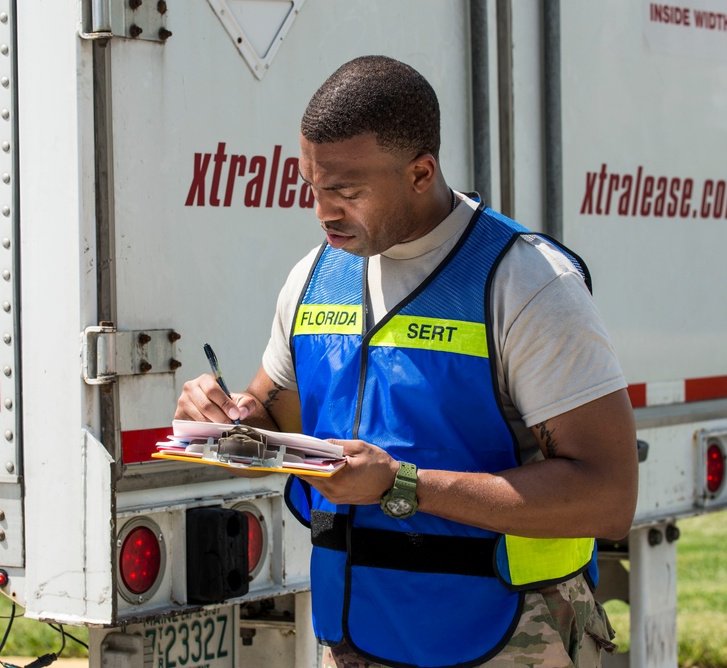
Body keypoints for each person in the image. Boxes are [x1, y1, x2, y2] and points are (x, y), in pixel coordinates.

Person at [176, 55, 638, 667]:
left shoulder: (525, 282)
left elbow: (608, 497)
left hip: (514, 638)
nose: (323, 212)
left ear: (421, 172)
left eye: (346, 191)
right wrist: (226, 421)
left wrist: (401, 485)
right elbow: (273, 418)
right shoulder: (312, 277)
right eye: (312, 186)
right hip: (357, 639)